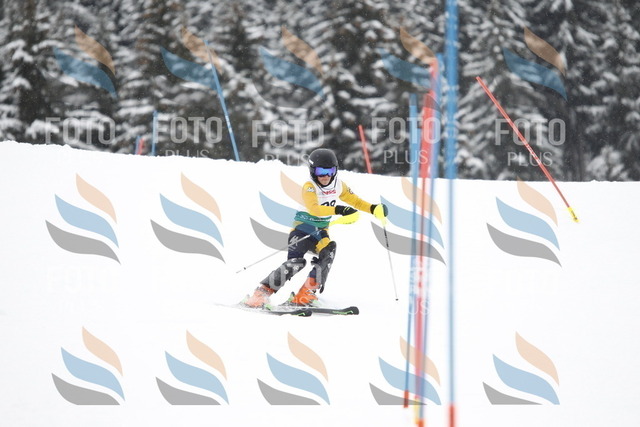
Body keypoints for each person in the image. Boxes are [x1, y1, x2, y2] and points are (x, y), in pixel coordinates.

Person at [243, 148, 388, 308]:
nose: (325, 176)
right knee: (296, 262)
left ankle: (305, 294)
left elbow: (356, 202)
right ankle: (261, 293)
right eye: (320, 172)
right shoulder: (310, 186)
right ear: (313, 171)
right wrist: (340, 210)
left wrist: (373, 209)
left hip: (321, 232)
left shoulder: (339, 185)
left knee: (329, 252)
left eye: (330, 171)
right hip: (302, 230)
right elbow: (315, 209)